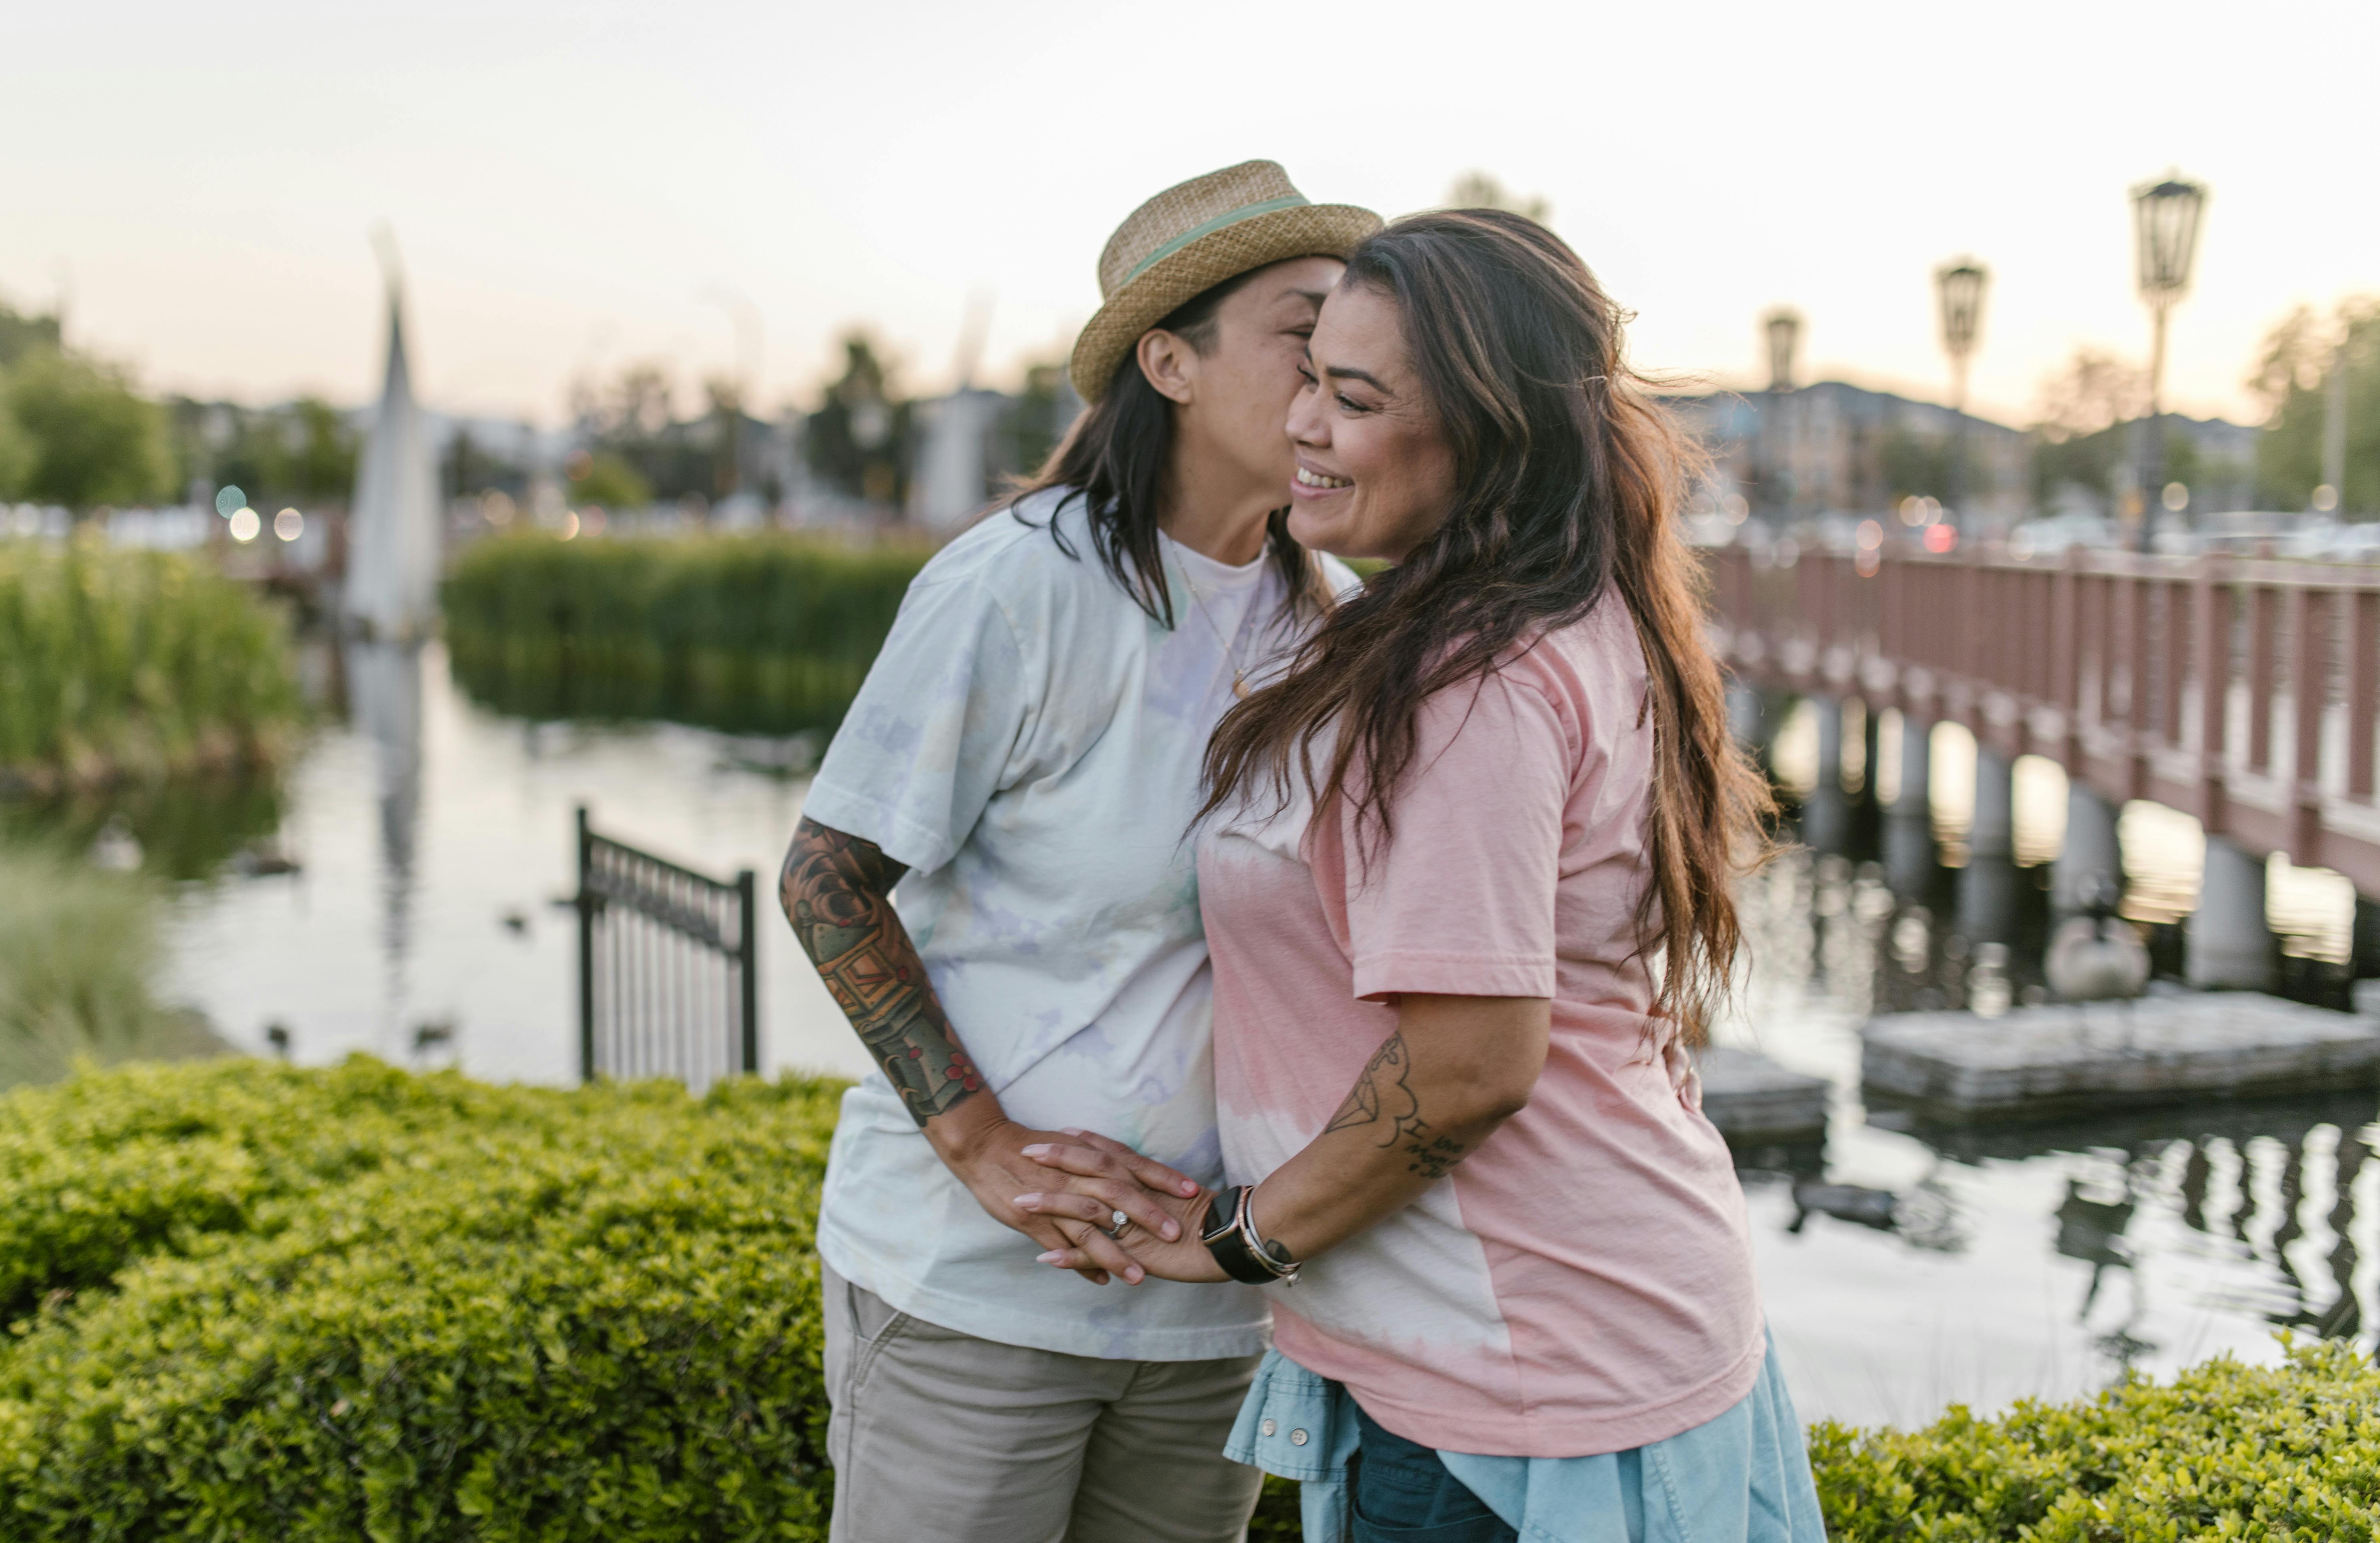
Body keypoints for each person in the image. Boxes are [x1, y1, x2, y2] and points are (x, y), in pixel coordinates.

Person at [1020, 210, 1825, 1541]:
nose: (1304, 426)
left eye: (1355, 398)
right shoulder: (1553, 612)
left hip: (1519, 1373)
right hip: (1559, 1332)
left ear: (1490, 429)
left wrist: (1241, 1238)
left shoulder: (1473, 684)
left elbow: (1471, 1065)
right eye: (1308, 380)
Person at [781, 160, 1376, 1542]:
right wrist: (981, 1144)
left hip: (1211, 1307)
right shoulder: (1019, 584)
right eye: (1302, 327)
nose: (1335, 364)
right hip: (969, 1294)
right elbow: (826, 875)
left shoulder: (1335, 619)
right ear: (1168, 360)